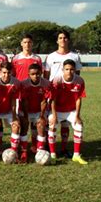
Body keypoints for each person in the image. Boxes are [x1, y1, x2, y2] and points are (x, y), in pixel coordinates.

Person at [44, 30, 83, 158]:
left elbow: (77, 76)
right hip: (54, 94)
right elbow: (46, 76)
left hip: (68, 94)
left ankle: (64, 148)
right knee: (51, 121)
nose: (62, 40)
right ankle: (48, 147)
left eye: (65, 38)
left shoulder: (75, 56)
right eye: (60, 38)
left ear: (68, 40)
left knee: (66, 123)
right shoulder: (51, 57)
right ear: (57, 40)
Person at [48, 59, 87, 165]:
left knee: (79, 126)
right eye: (67, 69)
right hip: (57, 109)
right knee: (52, 125)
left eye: (71, 69)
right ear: (62, 69)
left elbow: (79, 99)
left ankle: (76, 155)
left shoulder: (79, 81)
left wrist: (77, 116)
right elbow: (52, 99)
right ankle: (53, 155)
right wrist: (54, 115)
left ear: (75, 70)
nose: (69, 72)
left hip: (71, 110)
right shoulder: (57, 80)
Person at [12, 34, 44, 152]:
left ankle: (34, 145)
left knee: (34, 120)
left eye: (29, 42)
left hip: (34, 92)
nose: (27, 44)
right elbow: (13, 76)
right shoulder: (15, 59)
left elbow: (41, 75)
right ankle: (21, 145)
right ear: (21, 44)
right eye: (25, 42)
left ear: (32, 44)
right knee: (22, 119)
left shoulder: (37, 59)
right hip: (20, 94)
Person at [0, 61, 21, 164]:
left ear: (12, 72)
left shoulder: (16, 83)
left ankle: (13, 153)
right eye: (4, 72)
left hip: (8, 110)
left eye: (8, 73)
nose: (6, 75)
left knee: (16, 126)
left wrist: (14, 117)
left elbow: (14, 101)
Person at [19, 63, 51, 163]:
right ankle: (24, 151)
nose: (35, 76)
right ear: (28, 74)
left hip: (39, 111)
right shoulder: (24, 84)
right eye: (32, 74)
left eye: (37, 74)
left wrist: (41, 116)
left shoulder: (46, 84)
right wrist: (26, 116)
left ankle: (40, 151)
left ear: (41, 73)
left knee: (41, 125)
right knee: (24, 126)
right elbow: (24, 101)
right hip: (26, 110)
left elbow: (44, 101)